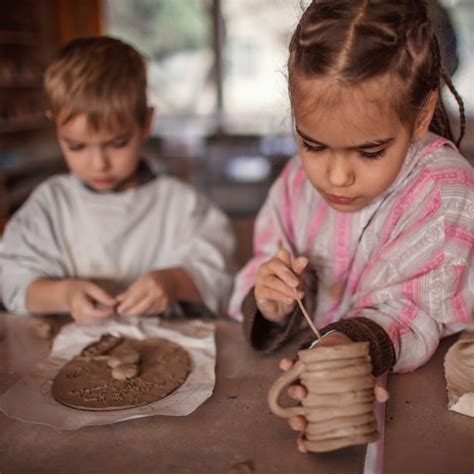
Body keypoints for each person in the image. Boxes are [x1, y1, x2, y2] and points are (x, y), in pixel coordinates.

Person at [229, 0, 473, 452]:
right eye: (314, 145)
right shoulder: (294, 184)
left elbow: (418, 312)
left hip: (425, 410)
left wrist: (354, 344)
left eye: (369, 152)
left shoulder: (445, 194)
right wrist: (271, 301)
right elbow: (265, 262)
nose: (336, 177)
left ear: (419, 117)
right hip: (314, 373)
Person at [1, 36, 235, 323]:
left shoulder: (181, 205)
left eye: (117, 143)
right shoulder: (51, 204)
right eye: (76, 146)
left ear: (146, 123)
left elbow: (221, 278)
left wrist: (173, 281)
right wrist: (65, 294)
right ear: (56, 126)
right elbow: (12, 281)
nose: (99, 163)